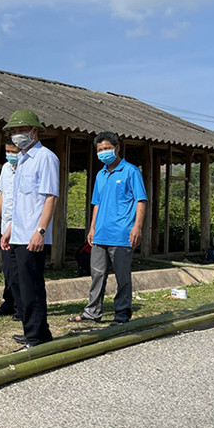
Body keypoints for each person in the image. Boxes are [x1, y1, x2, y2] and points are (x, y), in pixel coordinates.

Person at [70, 131, 147, 326]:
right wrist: (92, 228)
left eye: (107, 148)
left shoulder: (130, 171)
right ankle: (92, 312)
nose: (103, 152)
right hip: (100, 233)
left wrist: (137, 227)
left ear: (117, 148)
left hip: (122, 234)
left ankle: (122, 314)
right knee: (97, 274)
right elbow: (97, 203)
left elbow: (141, 200)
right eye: (100, 150)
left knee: (122, 277)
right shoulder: (101, 174)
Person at [0, 109, 59, 350]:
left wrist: (41, 231)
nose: (17, 135)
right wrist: (9, 229)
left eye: (21, 130)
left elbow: (50, 197)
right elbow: (21, 202)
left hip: (32, 235)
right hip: (17, 233)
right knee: (19, 286)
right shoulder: (22, 159)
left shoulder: (45, 158)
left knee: (32, 286)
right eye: (13, 131)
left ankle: (36, 337)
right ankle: (33, 331)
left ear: (34, 131)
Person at [0, 137, 21, 319]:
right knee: (7, 267)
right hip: (5, 225)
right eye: (7, 151)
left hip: (21, 227)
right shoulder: (6, 168)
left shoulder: (26, 169)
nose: (10, 155)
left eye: (14, 152)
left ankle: (20, 307)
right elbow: (2, 194)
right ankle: (9, 302)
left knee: (18, 270)